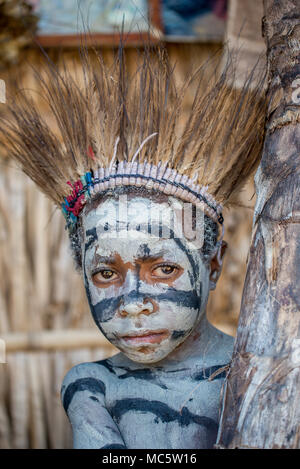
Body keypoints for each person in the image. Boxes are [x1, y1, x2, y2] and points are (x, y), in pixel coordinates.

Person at [1, 45, 266, 448]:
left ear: (212, 266)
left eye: (164, 269)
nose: (133, 302)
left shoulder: (264, 374)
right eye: (106, 273)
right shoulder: (93, 387)